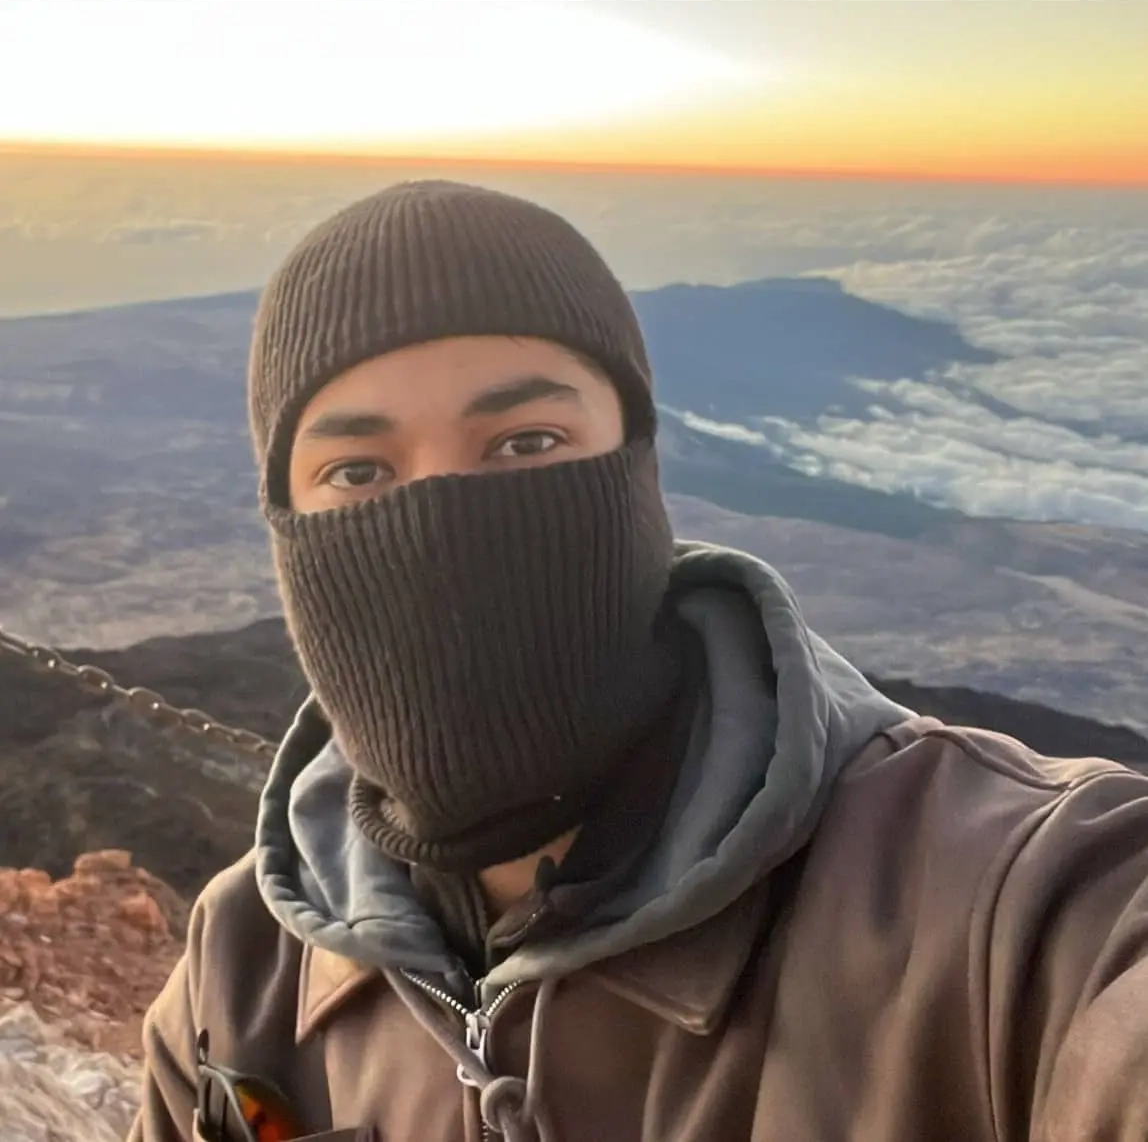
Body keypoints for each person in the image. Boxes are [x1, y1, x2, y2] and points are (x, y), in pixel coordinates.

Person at [129, 181, 1148, 1142]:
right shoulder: (239, 973)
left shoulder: (1007, 903)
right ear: (287, 529)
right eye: (356, 470)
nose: (441, 523)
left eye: (525, 444)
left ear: (639, 473)